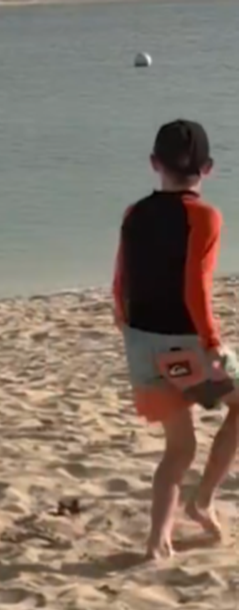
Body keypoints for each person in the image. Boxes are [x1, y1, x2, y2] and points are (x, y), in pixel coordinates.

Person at [113, 119, 239, 560]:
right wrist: (213, 342)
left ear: (154, 163)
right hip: (188, 345)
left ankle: (158, 539)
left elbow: (119, 284)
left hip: (142, 343)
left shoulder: (133, 214)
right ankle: (201, 501)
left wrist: (131, 333)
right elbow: (195, 288)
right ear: (208, 168)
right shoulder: (205, 216)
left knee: (179, 448)